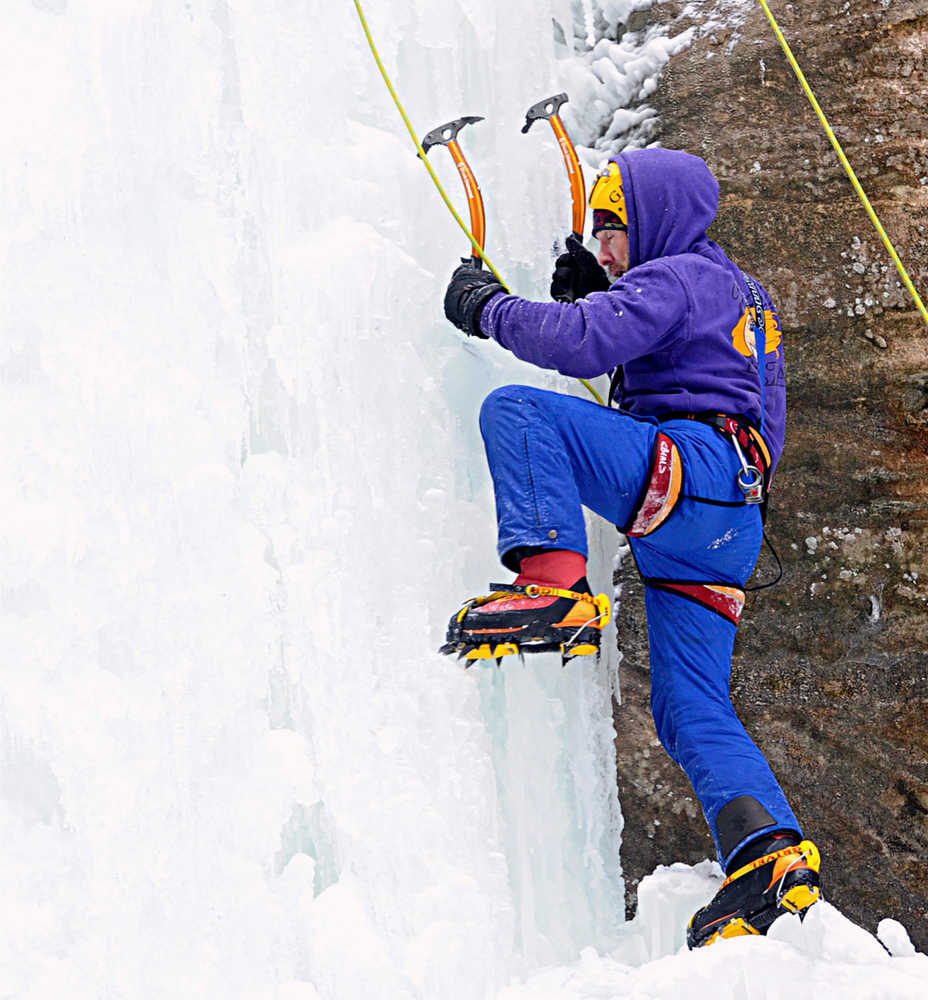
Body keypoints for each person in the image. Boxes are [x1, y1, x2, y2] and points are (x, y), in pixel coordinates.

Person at [440, 148, 822, 948]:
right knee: (689, 704)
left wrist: (489, 308)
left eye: (615, 229)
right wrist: (611, 292)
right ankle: (770, 854)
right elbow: (702, 372)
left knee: (518, 413)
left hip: (691, 474)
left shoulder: (677, 274)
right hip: (730, 521)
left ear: (658, 221)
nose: (607, 248)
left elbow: (581, 344)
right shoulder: (743, 294)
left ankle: (555, 588)